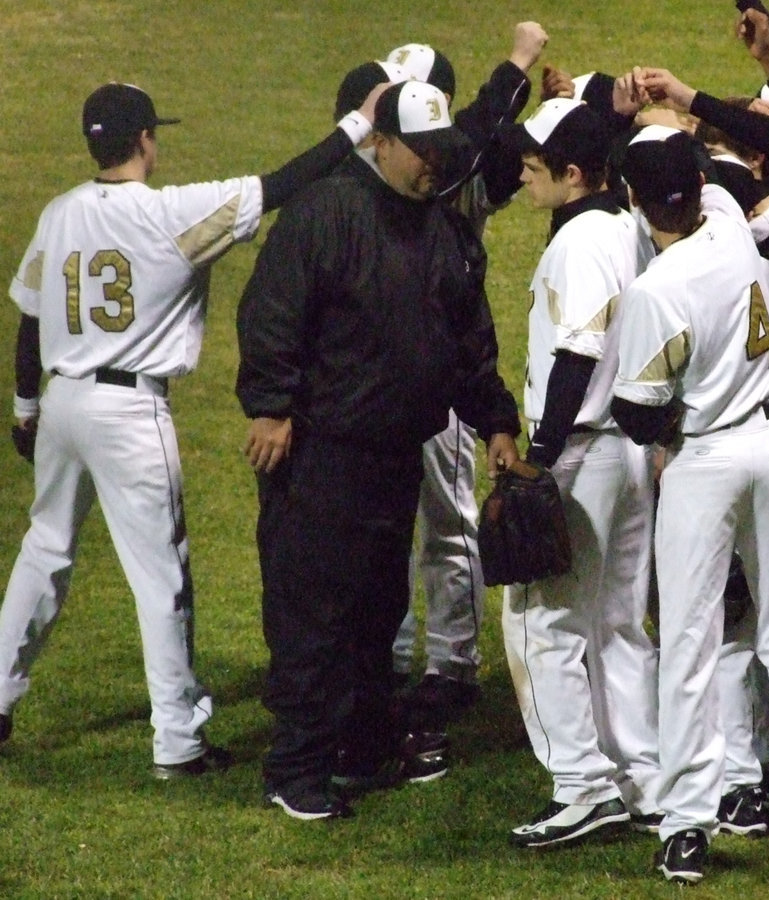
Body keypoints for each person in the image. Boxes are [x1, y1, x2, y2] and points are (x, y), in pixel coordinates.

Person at [0, 79, 386, 777]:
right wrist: (359, 127)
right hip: (128, 414)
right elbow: (281, 186)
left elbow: (31, 319)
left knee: (44, 548)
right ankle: (178, 738)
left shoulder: (59, 213)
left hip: (62, 403)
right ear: (146, 139)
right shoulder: (170, 214)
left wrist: (25, 407)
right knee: (160, 577)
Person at [235, 80, 521, 821]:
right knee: (313, 614)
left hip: (394, 452)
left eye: (440, 152)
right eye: (420, 151)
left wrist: (494, 417)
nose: (433, 165)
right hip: (322, 453)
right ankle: (294, 769)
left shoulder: (440, 227)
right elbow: (270, 311)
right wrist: (269, 405)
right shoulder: (327, 211)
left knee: (376, 609)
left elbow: (466, 339)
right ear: (381, 143)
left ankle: (360, 747)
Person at [611, 123, 769, 888]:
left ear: (634, 201)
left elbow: (637, 411)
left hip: (708, 458)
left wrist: (666, 437)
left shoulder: (658, 290)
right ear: (694, 190)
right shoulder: (727, 221)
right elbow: (721, 179)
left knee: (690, 642)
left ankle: (687, 824)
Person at [501, 97, 663, 848]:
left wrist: (539, 460)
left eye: (536, 166)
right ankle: (644, 779)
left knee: (541, 620)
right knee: (617, 621)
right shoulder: (628, 227)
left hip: (583, 450)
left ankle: (581, 786)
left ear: (573, 172)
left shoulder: (581, 244)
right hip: (626, 449)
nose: (524, 173)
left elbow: (578, 353)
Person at [380, 27, 545, 728]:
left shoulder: (461, 169)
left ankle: (450, 664)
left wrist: (521, 69)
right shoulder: (387, 166)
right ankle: (391, 651)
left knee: (447, 523)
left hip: (449, 370)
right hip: (386, 374)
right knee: (385, 521)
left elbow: (502, 139)